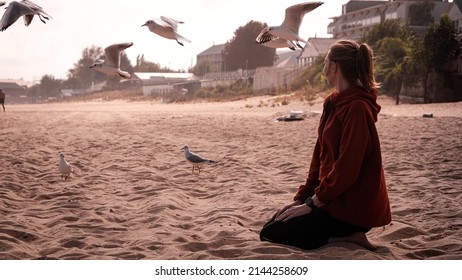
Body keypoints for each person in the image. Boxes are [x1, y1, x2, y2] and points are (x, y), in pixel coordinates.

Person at [260, 39, 391, 250]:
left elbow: (348, 168)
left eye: (325, 63)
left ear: (333, 67)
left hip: (352, 209)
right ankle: (343, 235)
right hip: (331, 201)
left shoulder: (357, 108)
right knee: (272, 225)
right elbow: (319, 156)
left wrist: (313, 203)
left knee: (271, 234)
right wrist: (302, 199)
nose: (323, 68)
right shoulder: (333, 102)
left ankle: (351, 237)